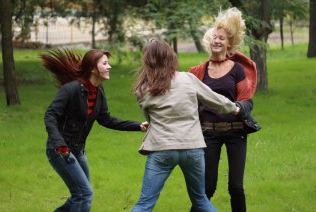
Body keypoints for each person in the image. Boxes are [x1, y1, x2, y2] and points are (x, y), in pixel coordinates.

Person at [131, 40, 243, 212]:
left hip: (162, 148)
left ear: (148, 60)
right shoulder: (187, 79)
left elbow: (150, 118)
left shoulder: (142, 89)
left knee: (144, 204)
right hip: (193, 148)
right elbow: (214, 99)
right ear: (171, 57)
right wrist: (234, 108)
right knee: (201, 201)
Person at [41, 48, 148, 212]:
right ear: (92, 68)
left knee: (80, 194)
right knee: (84, 194)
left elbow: (106, 119)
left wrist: (137, 126)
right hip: (61, 150)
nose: (109, 67)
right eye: (105, 63)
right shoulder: (71, 89)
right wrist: (59, 145)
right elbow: (50, 115)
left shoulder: (98, 91)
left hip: (78, 150)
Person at [189, 8, 258, 212]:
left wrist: (238, 108)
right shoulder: (199, 72)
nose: (217, 41)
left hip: (236, 132)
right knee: (207, 188)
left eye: (222, 38)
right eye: (214, 37)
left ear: (229, 43)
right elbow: (187, 102)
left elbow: (247, 101)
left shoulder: (236, 69)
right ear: (209, 42)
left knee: (236, 187)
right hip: (209, 134)